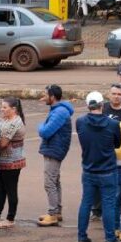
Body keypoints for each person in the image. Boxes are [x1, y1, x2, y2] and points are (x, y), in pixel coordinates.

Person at [76, 91, 121, 242]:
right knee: (109, 204)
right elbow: (117, 144)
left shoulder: (80, 122)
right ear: (102, 104)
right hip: (108, 170)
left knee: (86, 203)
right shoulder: (113, 124)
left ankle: (81, 236)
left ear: (88, 105)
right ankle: (110, 239)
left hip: (89, 169)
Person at [37, 84, 74, 227]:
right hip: (55, 149)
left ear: (52, 97)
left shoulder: (59, 112)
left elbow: (45, 132)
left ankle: (52, 213)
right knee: (55, 181)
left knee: (49, 182)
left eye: (46, 94)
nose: (44, 97)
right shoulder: (58, 110)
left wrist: (40, 125)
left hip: (54, 150)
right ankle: (57, 211)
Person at [93, 84, 121, 220]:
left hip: (119, 155)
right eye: (114, 94)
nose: (116, 96)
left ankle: (114, 212)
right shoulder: (102, 108)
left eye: (119, 94)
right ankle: (97, 210)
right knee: (97, 181)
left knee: (117, 185)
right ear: (109, 95)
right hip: (101, 152)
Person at [0, 97, 26, 229]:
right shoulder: (6, 119)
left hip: (12, 161)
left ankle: (10, 218)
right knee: (0, 188)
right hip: (3, 160)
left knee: (10, 189)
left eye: (4, 107)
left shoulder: (15, 122)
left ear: (14, 109)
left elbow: (2, 143)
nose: (2, 109)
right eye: (2, 107)